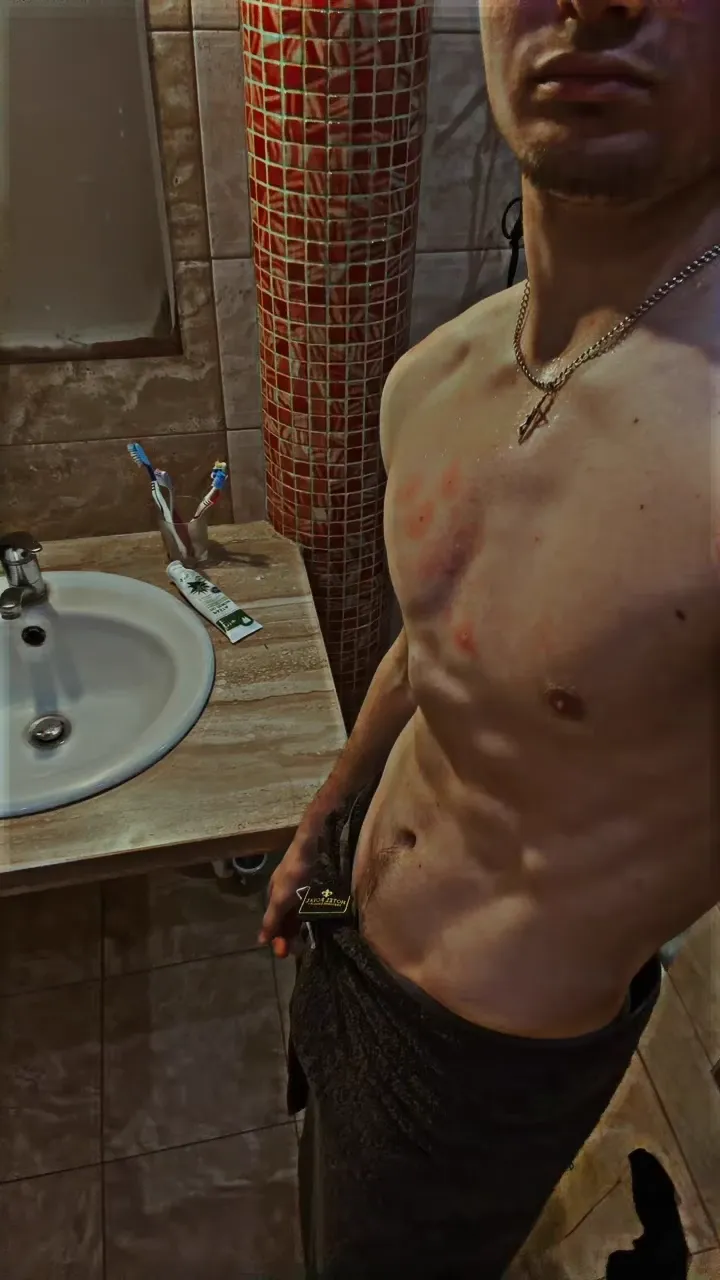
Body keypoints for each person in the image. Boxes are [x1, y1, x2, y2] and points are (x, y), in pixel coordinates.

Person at [260, 0, 720, 1275]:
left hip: (484, 1053)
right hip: (351, 923)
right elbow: (434, 643)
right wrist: (320, 822)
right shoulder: (434, 374)